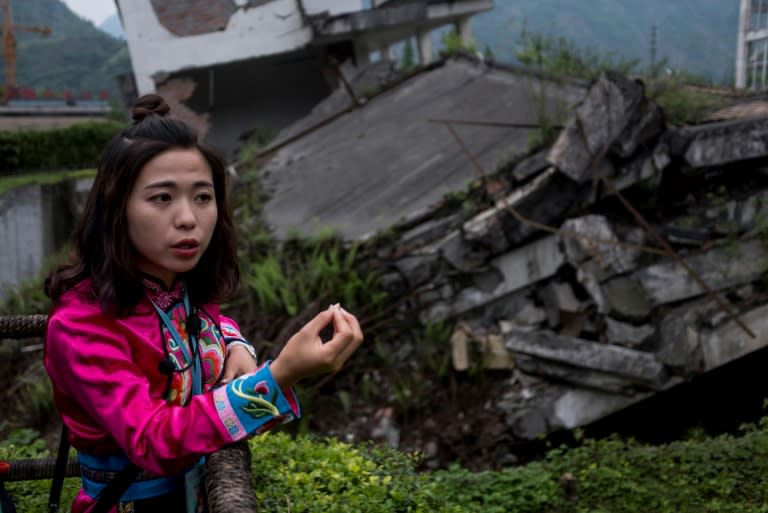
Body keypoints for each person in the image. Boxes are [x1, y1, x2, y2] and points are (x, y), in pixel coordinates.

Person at [43, 94, 364, 513]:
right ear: (116, 208)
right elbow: (152, 439)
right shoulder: (81, 326)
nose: (188, 218)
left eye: (202, 196)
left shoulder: (179, 287)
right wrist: (280, 375)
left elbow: (208, 323)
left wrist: (237, 345)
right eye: (162, 198)